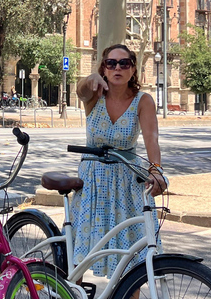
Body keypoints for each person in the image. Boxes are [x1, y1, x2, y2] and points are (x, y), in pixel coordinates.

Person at [71, 44, 167, 278]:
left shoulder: (143, 101)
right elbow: (80, 91)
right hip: (93, 180)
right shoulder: (94, 95)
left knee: (131, 256)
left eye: (124, 63)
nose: (117, 68)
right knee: (81, 251)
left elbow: (151, 139)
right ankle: (73, 291)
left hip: (127, 182)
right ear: (103, 68)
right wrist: (90, 78)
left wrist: (156, 171)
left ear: (133, 70)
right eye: (110, 63)